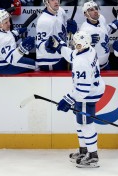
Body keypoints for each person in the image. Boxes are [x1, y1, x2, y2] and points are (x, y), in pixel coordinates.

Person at [45, 30, 105, 168]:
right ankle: (83, 151)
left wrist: (67, 100)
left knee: (86, 124)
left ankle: (93, 156)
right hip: (91, 90)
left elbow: (83, 90)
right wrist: (59, 46)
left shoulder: (81, 62)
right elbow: (72, 54)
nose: (76, 46)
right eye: (75, 44)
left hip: (87, 94)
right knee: (79, 122)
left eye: (78, 45)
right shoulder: (88, 49)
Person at [0, 8, 36, 74]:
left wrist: (17, 32)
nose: (9, 24)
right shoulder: (5, 39)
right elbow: (12, 59)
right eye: (6, 22)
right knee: (33, 64)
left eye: (9, 21)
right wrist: (22, 49)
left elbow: (3, 36)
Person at [35, 0, 77, 71]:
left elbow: (64, 28)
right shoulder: (44, 21)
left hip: (61, 55)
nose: (56, 1)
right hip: (49, 61)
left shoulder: (60, 11)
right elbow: (40, 44)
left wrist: (71, 29)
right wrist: (48, 45)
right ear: (46, 2)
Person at [80, 0, 118, 70]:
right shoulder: (84, 30)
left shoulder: (101, 18)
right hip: (91, 68)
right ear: (85, 14)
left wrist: (113, 26)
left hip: (106, 64)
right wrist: (87, 41)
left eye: (96, 8)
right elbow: (79, 49)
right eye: (91, 10)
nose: (95, 11)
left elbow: (105, 31)